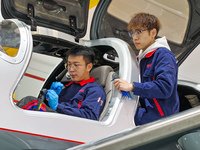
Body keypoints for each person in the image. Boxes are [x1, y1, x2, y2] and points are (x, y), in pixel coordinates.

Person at [113, 13, 179, 125]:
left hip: (160, 119)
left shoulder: (163, 55)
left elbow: (165, 88)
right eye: (132, 32)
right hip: (144, 112)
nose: (134, 37)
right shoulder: (142, 57)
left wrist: (132, 86)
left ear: (153, 33)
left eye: (139, 31)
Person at [17, 45, 106, 120]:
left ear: (89, 67)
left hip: (69, 125)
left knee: (32, 102)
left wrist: (57, 106)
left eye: (76, 65)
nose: (71, 69)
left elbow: (90, 116)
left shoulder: (95, 89)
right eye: (69, 64)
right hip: (58, 120)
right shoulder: (69, 86)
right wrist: (49, 98)